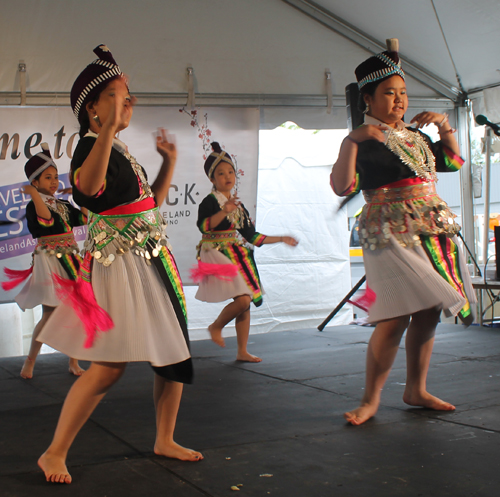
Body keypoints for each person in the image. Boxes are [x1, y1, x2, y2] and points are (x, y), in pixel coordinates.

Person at [36, 45, 202, 484]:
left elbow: (150, 204)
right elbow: (86, 190)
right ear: (91, 107)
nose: (128, 100)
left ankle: (164, 438)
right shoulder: (89, 148)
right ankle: (54, 453)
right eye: (117, 94)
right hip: (119, 265)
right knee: (108, 368)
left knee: (172, 354)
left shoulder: (120, 148)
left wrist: (169, 163)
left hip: (149, 261)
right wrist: (108, 129)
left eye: (129, 94)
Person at [330, 39, 475, 426]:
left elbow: (454, 163)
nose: (398, 100)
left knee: (428, 310)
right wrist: (350, 142)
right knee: (394, 316)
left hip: (429, 228)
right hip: (388, 232)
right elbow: (342, 188)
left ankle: (416, 388)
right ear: (368, 99)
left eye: (403, 93)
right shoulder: (364, 139)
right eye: (389, 94)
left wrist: (445, 127)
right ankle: (370, 399)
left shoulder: (417, 137)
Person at [192, 142, 298, 362]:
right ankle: (216, 326)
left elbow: (253, 237)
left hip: (234, 251)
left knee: (244, 300)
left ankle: (242, 351)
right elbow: (204, 226)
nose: (227, 176)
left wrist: (281, 239)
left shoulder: (238, 207)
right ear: (212, 179)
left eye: (230, 171)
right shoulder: (210, 202)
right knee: (242, 300)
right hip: (215, 252)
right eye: (220, 173)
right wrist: (224, 211)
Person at [2, 145, 86, 379]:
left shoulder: (63, 205)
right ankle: (29, 362)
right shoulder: (34, 206)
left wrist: (79, 195)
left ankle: (74, 360)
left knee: (80, 310)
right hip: (50, 261)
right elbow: (46, 222)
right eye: (47, 178)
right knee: (49, 313)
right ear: (35, 182)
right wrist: (35, 196)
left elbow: (86, 217)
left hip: (71, 258)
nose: (53, 182)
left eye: (55, 177)